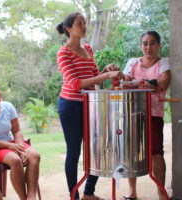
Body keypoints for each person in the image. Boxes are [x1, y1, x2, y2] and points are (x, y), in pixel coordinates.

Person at [56, 12, 125, 200]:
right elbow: (76, 83)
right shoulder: (63, 53)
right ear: (69, 29)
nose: (84, 26)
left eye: (85, 23)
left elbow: (94, 76)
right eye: (79, 23)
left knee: (98, 148)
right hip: (70, 106)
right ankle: (74, 196)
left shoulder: (88, 48)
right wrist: (106, 76)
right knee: (74, 151)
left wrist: (106, 70)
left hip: (91, 105)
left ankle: (88, 193)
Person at [122, 31, 171, 200]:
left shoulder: (164, 63)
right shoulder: (132, 63)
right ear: (140, 46)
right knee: (131, 152)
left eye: (152, 43)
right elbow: (124, 86)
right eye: (145, 43)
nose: (148, 47)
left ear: (159, 45)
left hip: (154, 114)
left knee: (156, 153)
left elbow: (163, 84)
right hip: (131, 113)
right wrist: (151, 84)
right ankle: (132, 192)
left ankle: (161, 193)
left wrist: (136, 84)